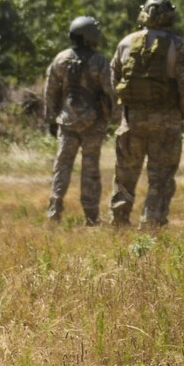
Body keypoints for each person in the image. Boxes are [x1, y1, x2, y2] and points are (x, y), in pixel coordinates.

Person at [108, 0, 184, 227]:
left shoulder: (126, 43)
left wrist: (125, 111)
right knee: (161, 178)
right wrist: (181, 113)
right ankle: (151, 223)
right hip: (166, 122)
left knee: (124, 176)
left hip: (131, 120)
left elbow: (114, 80)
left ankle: (119, 221)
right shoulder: (179, 46)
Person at [42, 16, 116, 223]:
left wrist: (50, 119)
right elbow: (110, 92)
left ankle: (54, 211)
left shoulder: (60, 59)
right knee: (90, 169)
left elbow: (50, 91)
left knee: (61, 166)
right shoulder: (100, 61)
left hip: (66, 123)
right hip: (93, 123)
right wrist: (114, 118)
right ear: (90, 35)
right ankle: (91, 217)